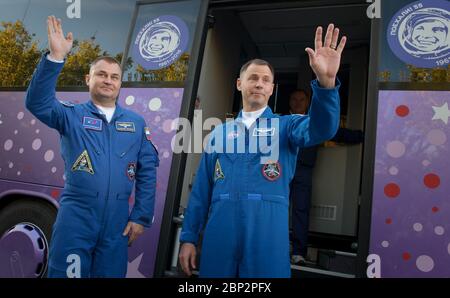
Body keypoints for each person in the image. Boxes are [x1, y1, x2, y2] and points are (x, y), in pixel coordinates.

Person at [179, 24, 347, 277]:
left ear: (272, 88)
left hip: (267, 231)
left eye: (266, 80)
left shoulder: (288, 125)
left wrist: (326, 82)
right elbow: (202, 190)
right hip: (221, 230)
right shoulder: (218, 133)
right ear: (239, 84)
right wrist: (189, 237)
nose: (259, 84)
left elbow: (322, 129)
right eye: (253, 78)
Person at [25, 16, 159, 278]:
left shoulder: (136, 122)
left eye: (114, 77)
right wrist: (55, 58)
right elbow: (37, 103)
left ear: (120, 83)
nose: (108, 81)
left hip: (118, 223)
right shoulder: (70, 115)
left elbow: (148, 169)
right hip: (77, 216)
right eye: (101, 74)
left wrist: (141, 216)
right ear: (88, 79)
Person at [288, 89, 364, 265]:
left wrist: (364, 136)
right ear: (289, 102)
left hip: (304, 171)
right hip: (281, 171)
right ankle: (277, 246)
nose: (298, 102)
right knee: (277, 210)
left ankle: (298, 252)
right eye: (294, 99)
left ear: (307, 103)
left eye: (301, 99)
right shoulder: (281, 121)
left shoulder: (315, 122)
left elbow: (337, 133)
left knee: (301, 210)